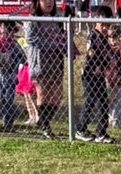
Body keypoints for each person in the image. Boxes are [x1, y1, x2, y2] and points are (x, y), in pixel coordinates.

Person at [25, 0, 69, 139]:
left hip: (55, 62)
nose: (49, 2)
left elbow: (62, 38)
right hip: (40, 61)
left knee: (57, 95)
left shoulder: (56, 19)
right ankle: (45, 128)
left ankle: (42, 121)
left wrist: (66, 45)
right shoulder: (33, 19)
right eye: (45, 0)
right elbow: (30, 38)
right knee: (43, 94)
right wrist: (53, 44)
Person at [75, 5, 115, 143]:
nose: (104, 28)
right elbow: (91, 52)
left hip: (100, 75)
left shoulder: (105, 38)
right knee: (90, 101)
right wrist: (101, 59)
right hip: (90, 74)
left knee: (104, 102)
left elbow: (109, 54)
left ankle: (101, 132)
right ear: (96, 21)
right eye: (102, 25)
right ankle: (81, 129)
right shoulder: (93, 35)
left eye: (107, 25)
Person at [0, 21, 24, 133]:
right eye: (4, 30)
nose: (7, 33)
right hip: (0, 75)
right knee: (2, 99)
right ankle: (9, 116)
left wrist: (14, 65)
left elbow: (22, 57)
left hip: (11, 76)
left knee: (8, 98)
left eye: (10, 31)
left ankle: (8, 123)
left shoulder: (14, 45)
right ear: (0, 30)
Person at [16, 32, 38, 125]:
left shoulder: (34, 40)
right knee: (26, 94)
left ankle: (37, 114)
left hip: (31, 68)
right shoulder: (22, 41)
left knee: (32, 94)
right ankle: (31, 115)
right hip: (25, 69)